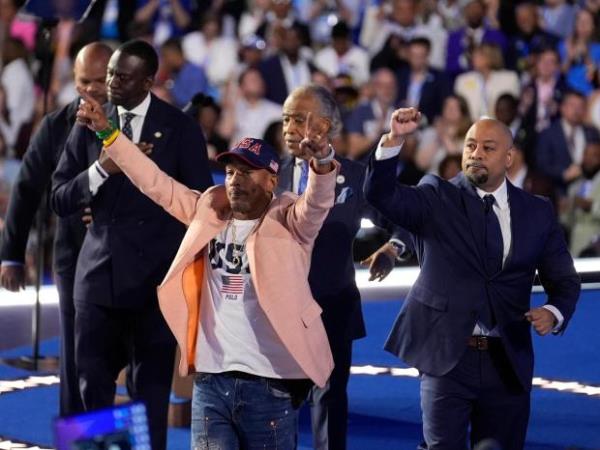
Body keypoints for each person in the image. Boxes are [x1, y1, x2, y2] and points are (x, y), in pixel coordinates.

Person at [74, 86, 339, 448]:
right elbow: (155, 182)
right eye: (230, 172)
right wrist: (108, 133)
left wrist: (322, 162)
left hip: (269, 384)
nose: (235, 180)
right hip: (210, 384)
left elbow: (318, 203)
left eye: (247, 173)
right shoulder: (208, 210)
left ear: (272, 181)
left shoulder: (292, 219)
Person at [364, 107, 580, 449]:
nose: (476, 153)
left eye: (488, 147)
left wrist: (553, 312)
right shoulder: (436, 195)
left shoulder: (537, 211)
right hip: (448, 357)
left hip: (507, 360)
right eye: (470, 145)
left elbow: (565, 281)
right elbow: (382, 195)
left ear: (509, 157)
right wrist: (394, 141)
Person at [51, 40, 213, 450]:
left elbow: (200, 205)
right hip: (98, 279)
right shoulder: (87, 124)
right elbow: (60, 198)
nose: (110, 83)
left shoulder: (180, 128)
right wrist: (102, 169)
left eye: (121, 77)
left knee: (151, 399)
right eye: (109, 74)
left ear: (148, 80)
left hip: (154, 285)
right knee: (93, 394)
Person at [278, 84, 411, 449]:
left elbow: (404, 221)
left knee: (329, 400)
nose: (289, 127)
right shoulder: (266, 174)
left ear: (323, 126)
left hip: (331, 307)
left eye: (299, 119)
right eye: (286, 118)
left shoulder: (353, 176)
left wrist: (392, 248)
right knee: (275, 405)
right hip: (276, 311)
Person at [0, 42, 112, 417]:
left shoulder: (136, 127)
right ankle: (78, 440)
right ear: (74, 82)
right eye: (85, 82)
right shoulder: (55, 126)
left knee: (122, 358)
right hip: (73, 260)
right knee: (77, 359)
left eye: (101, 80)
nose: (93, 89)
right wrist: (11, 255)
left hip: (130, 263)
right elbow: (26, 191)